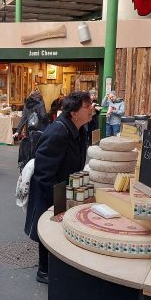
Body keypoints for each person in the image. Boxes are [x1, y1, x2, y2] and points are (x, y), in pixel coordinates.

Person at [24, 92, 93, 284]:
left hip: (64, 187)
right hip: (52, 189)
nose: (92, 110)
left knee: (58, 229)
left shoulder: (80, 129)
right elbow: (44, 172)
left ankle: (53, 266)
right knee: (49, 228)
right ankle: (44, 270)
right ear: (73, 112)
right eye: (87, 107)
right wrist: (57, 200)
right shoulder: (58, 131)